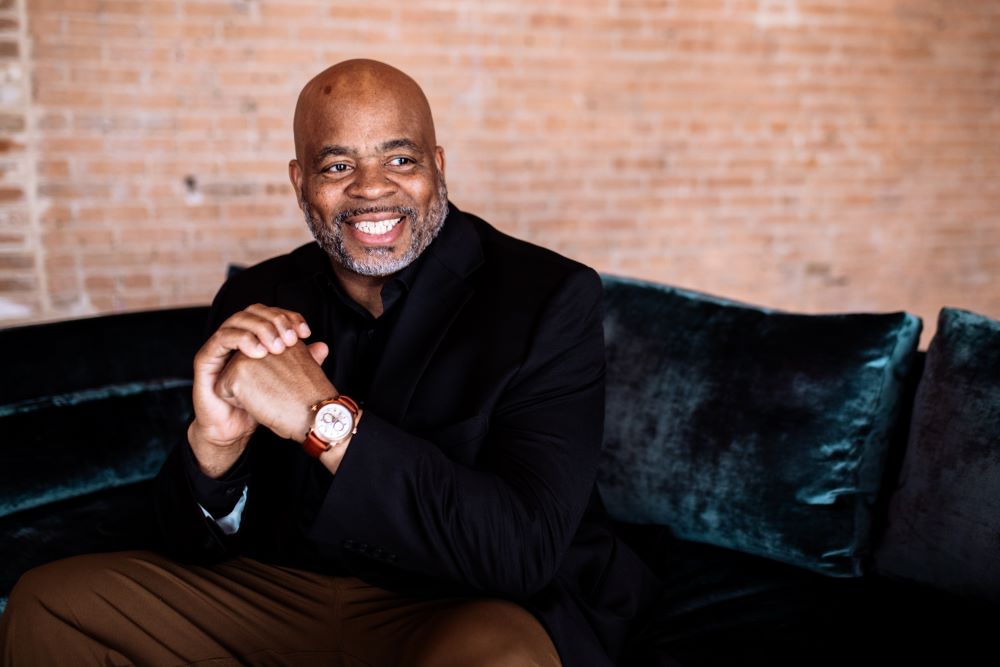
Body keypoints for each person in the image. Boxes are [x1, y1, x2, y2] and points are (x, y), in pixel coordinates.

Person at [0, 59, 661, 666]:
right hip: (288, 591)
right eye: (337, 166)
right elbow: (188, 543)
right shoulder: (256, 298)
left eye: (399, 158)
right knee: (51, 604)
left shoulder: (548, 297)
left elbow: (519, 552)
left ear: (438, 164)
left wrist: (323, 417)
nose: (373, 190)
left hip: (465, 602)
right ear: (300, 182)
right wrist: (214, 448)